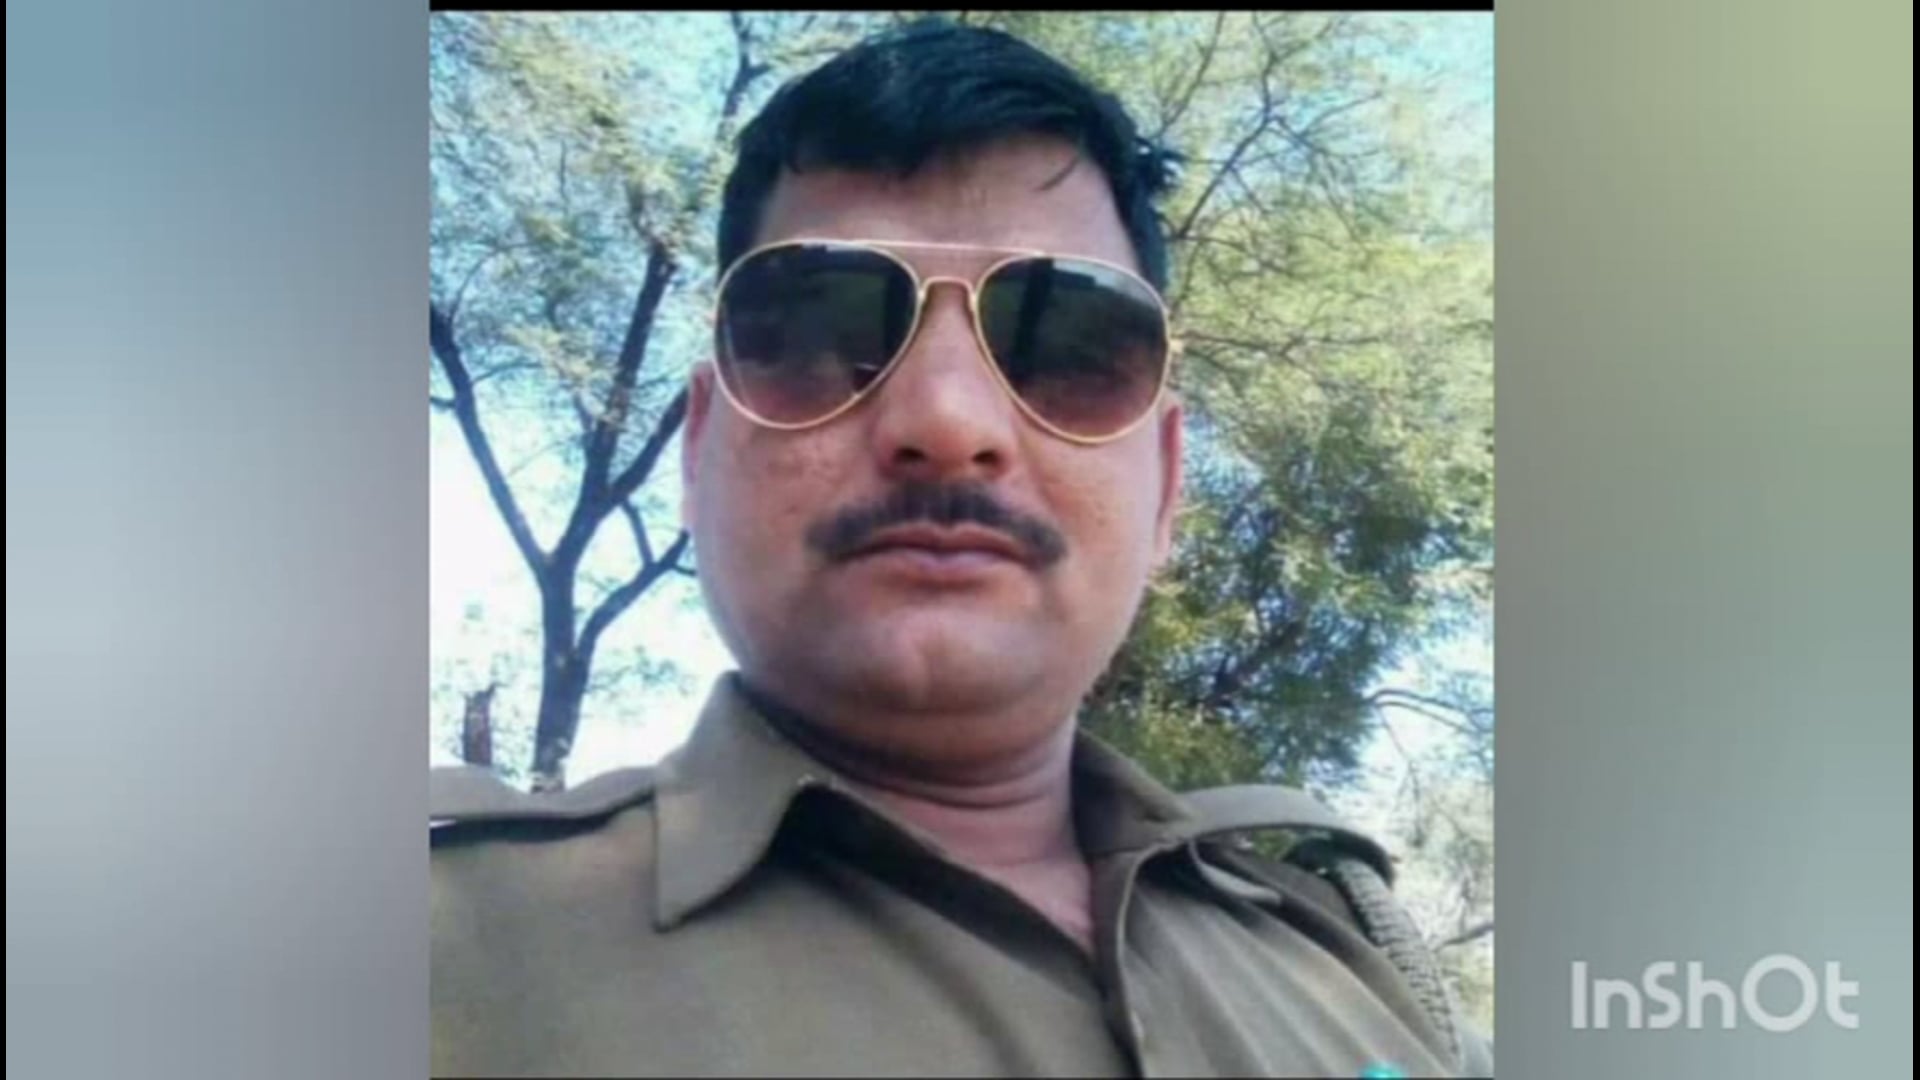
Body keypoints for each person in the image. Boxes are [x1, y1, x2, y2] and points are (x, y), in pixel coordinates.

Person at [432, 18, 1493, 1078]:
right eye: (822, 330)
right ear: (699, 448)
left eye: (1067, 347)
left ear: (1168, 485)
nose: (946, 421)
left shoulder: (1371, 981)